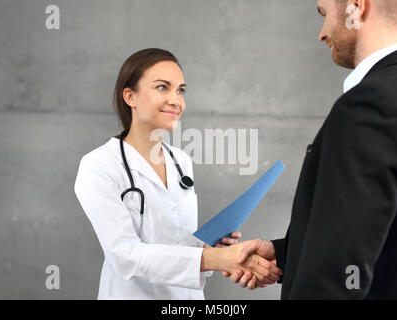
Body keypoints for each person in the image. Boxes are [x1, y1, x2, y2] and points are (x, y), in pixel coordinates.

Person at [229, 0, 397, 299]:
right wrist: (286, 254)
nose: (322, 34)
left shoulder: (372, 104)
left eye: (324, 14)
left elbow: (336, 276)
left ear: (356, 7)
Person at [74, 48, 281, 299]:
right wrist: (216, 258)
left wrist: (211, 247)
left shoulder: (180, 160)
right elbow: (125, 256)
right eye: (162, 87)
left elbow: (176, 241)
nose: (176, 100)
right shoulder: (99, 165)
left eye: (180, 90)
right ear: (130, 96)